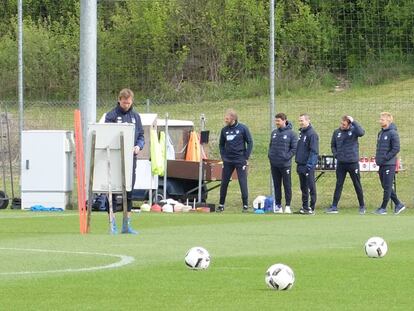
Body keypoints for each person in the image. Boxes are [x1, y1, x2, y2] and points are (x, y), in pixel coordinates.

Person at [105, 88, 145, 234]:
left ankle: (126, 225)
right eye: (124, 102)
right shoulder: (111, 116)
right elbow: (106, 136)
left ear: (132, 101)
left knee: (129, 191)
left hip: (131, 159)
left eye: (128, 103)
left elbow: (141, 135)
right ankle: (112, 224)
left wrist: (138, 146)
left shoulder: (136, 117)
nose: (126, 105)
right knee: (114, 192)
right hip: (114, 160)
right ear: (119, 100)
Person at [326, 116, 366, 214]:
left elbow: (361, 133)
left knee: (357, 184)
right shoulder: (337, 132)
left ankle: (362, 206)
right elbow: (333, 145)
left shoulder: (354, 131)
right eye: (341, 123)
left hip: (353, 163)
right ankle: (334, 206)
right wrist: (336, 155)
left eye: (344, 124)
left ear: (349, 124)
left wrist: (354, 121)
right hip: (341, 163)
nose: (342, 126)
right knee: (339, 184)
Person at [217, 109, 253, 213]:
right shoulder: (224, 130)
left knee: (242, 182)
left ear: (233, 118)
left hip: (240, 160)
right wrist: (223, 156)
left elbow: (250, 142)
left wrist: (245, 157)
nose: (225, 119)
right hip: (228, 161)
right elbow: (221, 144)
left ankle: (245, 205)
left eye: (227, 118)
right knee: (224, 182)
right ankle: (221, 205)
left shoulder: (243, 128)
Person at [374, 112, 405, 215]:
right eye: (380, 119)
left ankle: (383, 208)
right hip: (381, 164)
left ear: (388, 121)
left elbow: (396, 148)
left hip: (389, 164)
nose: (380, 121)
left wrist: (386, 157)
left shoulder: (393, 133)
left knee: (387, 186)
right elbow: (379, 148)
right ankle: (399, 204)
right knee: (385, 186)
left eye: (382, 119)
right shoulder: (380, 133)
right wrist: (378, 159)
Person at [268, 113, 297, 214]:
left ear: (284, 121)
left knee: (287, 185)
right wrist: (270, 156)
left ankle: (288, 206)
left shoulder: (292, 134)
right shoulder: (274, 133)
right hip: (274, 164)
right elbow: (270, 146)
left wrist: (285, 157)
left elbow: (294, 149)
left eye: (278, 121)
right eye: (276, 121)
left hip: (285, 165)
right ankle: (278, 205)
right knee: (276, 185)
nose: (277, 123)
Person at [295, 114, 319, 215]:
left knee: (310, 186)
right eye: (299, 121)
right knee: (303, 187)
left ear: (308, 120)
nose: (301, 123)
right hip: (300, 164)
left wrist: (310, 165)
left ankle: (311, 207)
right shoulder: (301, 133)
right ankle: (304, 206)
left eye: (302, 121)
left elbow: (314, 151)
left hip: (307, 165)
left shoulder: (312, 134)